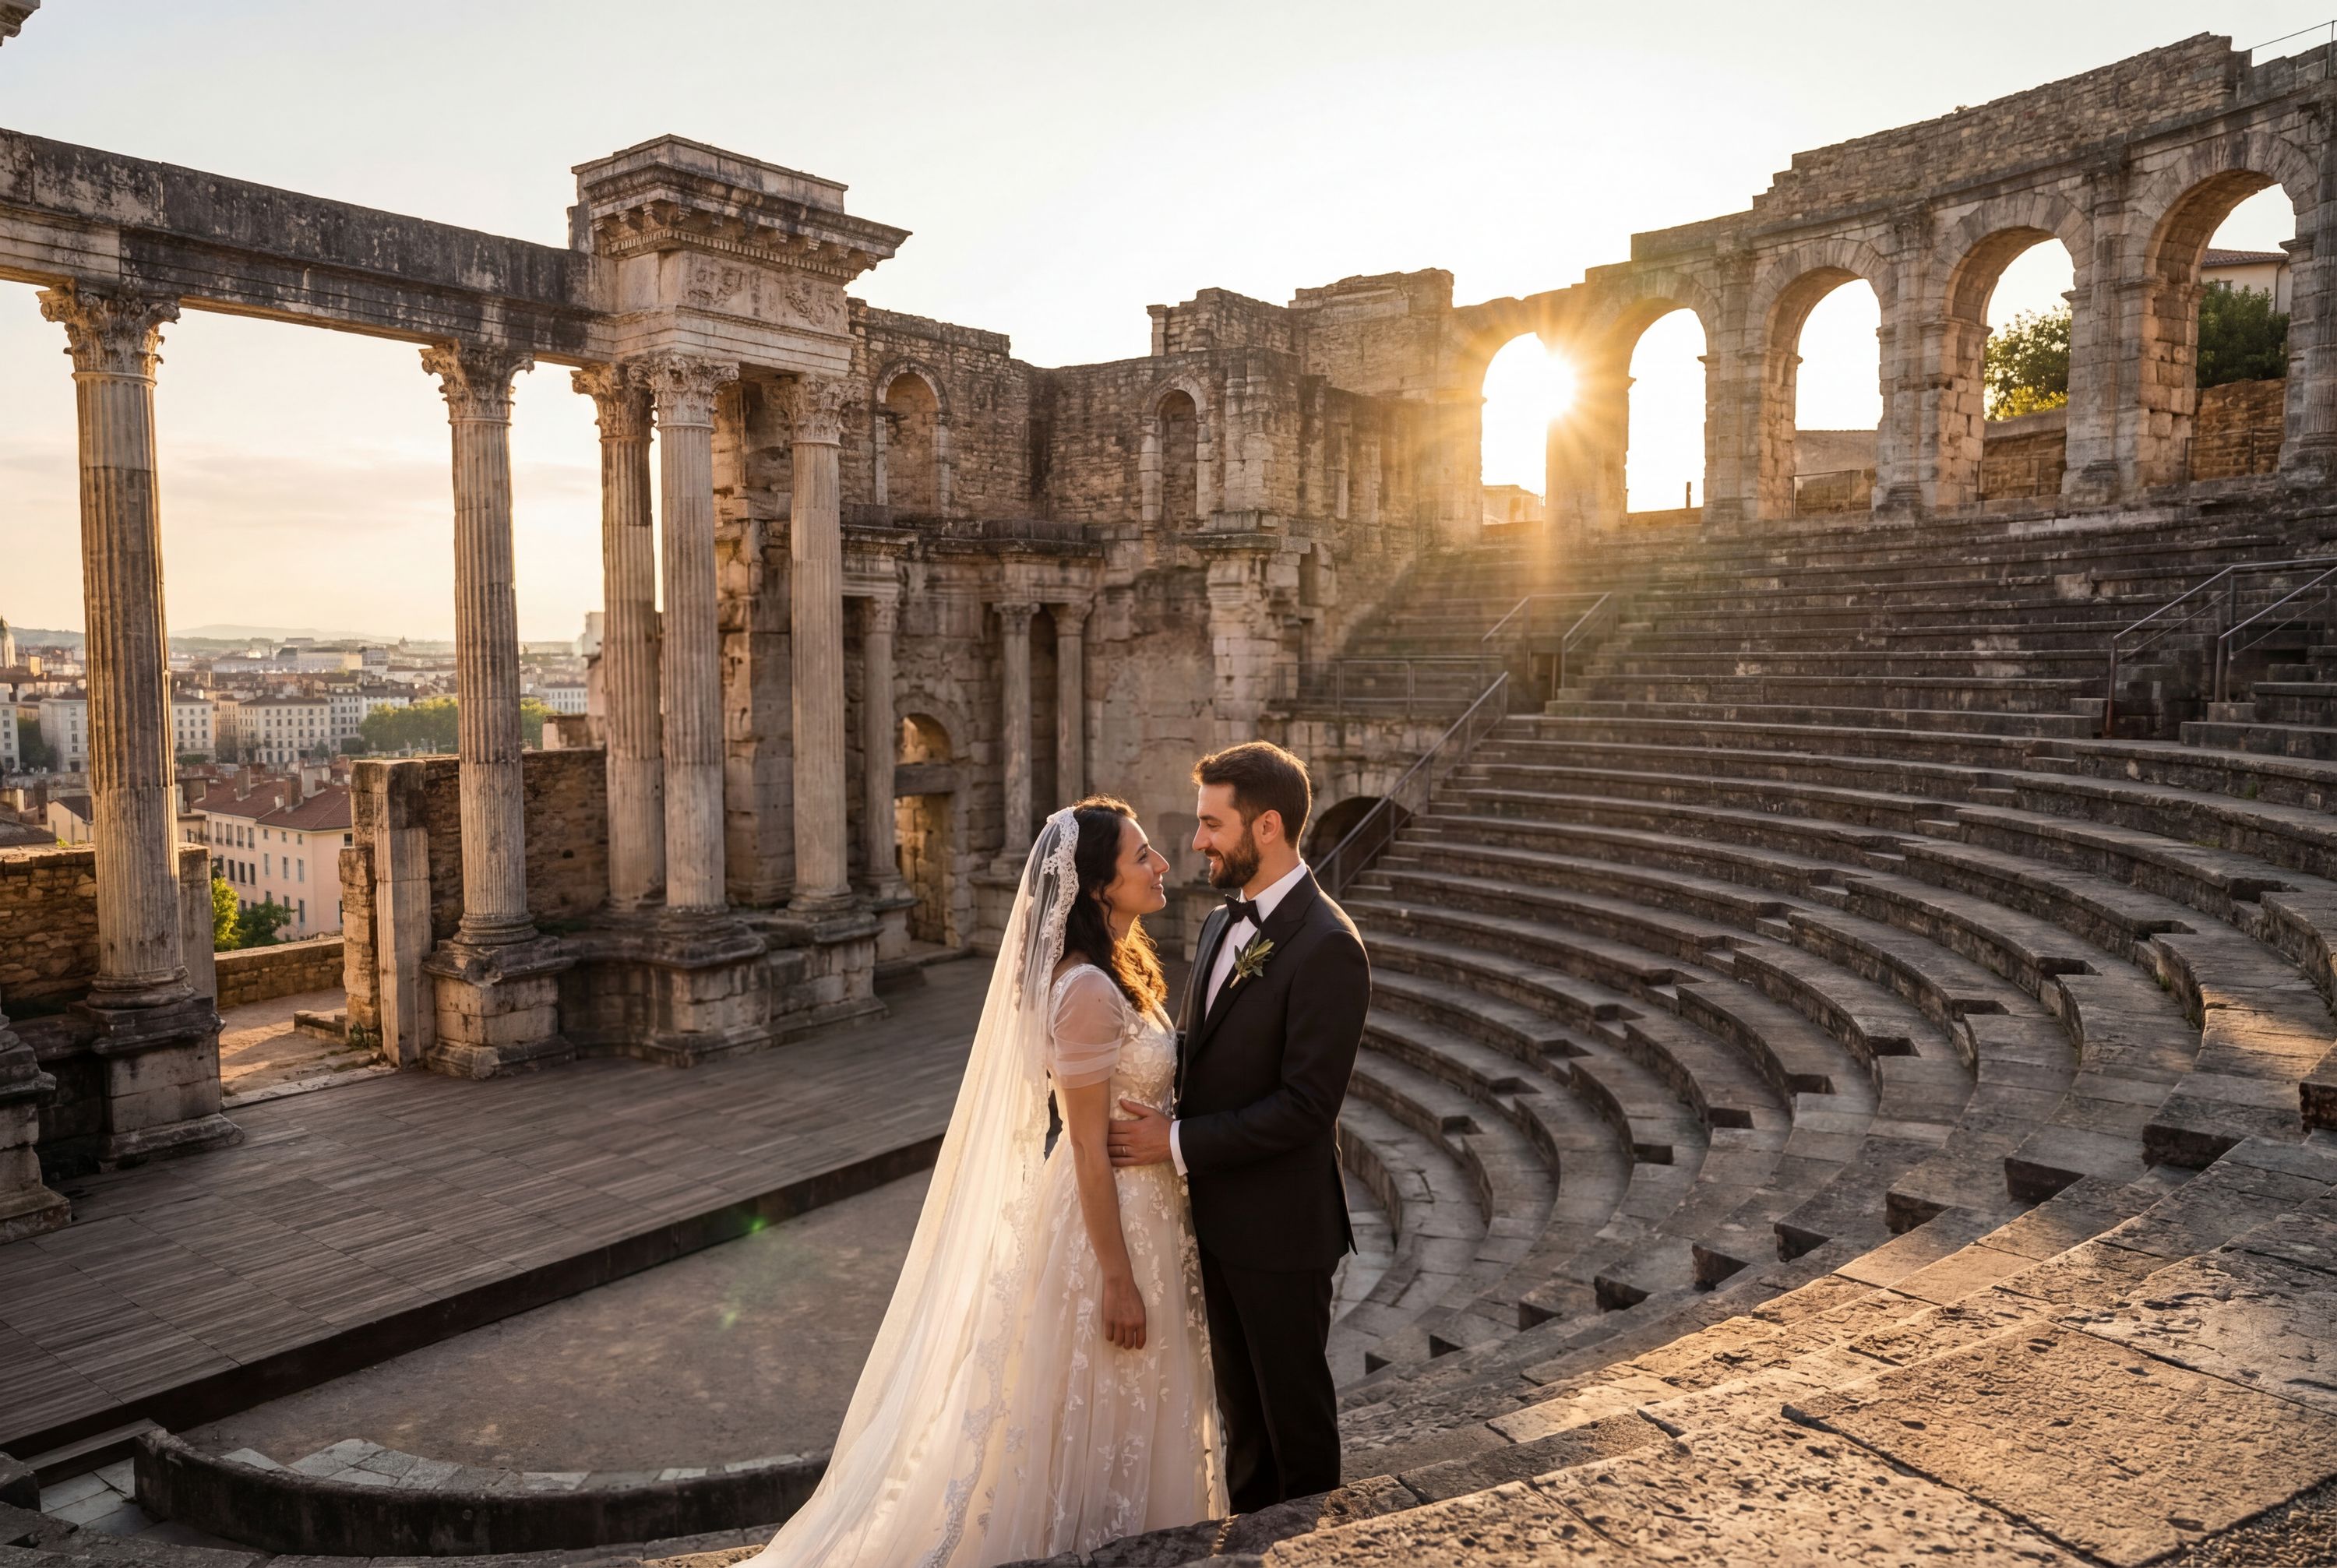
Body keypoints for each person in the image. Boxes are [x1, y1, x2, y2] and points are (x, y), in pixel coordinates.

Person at [744, 796, 1225, 1568]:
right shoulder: (1088, 993)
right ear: (1098, 887)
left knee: (1134, 1406)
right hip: (1109, 1227)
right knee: (1096, 1403)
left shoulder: (1115, 972)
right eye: (1142, 857)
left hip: (1146, 1209)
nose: (1161, 864)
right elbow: (1087, 1147)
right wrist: (1116, 1279)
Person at [1110, 740, 1370, 1513]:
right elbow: (1210, 1047)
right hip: (1215, 1222)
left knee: (1293, 1426)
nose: (1196, 842)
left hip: (1283, 1234)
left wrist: (1176, 1143)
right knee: (1242, 1428)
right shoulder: (1224, 925)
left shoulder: (1329, 948)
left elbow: (1304, 1109)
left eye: (1210, 824)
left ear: (1265, 827)